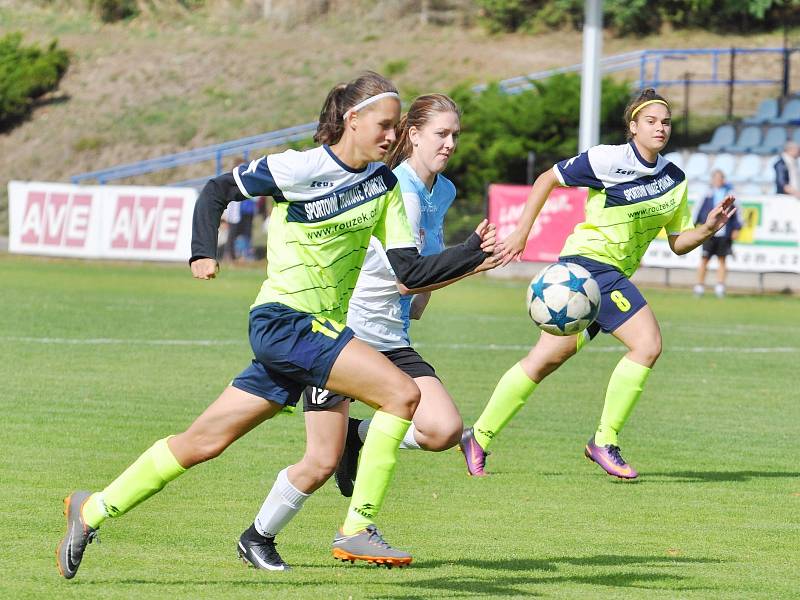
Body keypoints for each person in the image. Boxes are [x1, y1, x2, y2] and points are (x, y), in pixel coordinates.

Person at [56, 72, 498, 580]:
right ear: (352, 120)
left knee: (208, 443)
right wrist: (203, 250)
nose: (392, 136)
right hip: (284, 322)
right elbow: (218, 189)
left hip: (319, 338)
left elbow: (410, 273)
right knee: (401, 395)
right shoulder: (297, 168)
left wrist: (470, 253)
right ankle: (359, 526)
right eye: (384, 125)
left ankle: (91, 510)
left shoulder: (385, 188)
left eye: (397, 127)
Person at [459, 88, 737, 480]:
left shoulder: (674, 178)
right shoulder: (606, 160)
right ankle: (604, 441)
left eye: (666, 122)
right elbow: (546, 179)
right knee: (648, 344)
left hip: (608, 276)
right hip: (589, 266)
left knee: (543, 360)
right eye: (651, 121)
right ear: (633, 126)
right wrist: (522, 232)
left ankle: (479, 436)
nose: (660, 128)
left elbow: (678, 244)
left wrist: (707, 229)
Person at [239, 95, 467, 565]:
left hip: (393, 334)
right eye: (441, 133)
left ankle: (358, 439)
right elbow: (407, 272)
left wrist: (438, 278)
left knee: (443, 429)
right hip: (344, 333)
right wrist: (473, 259)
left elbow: (420, 273)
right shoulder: (388, 183)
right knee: (321, 459)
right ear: (414, 133)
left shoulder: (441, 192)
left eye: (455, 135)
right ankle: (298, 532)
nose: (450, 144)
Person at [693, 169, 742, 298]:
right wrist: (693, 224)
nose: (718, 181)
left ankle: (720, 286)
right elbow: (698, 210)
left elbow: (738, 212)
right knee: (704, 259)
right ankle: (699, 286)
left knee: (722, 259)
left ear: (723, 180)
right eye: (715, 178)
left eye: (720, 178)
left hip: (724, 232)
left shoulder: (730, 194)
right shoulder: (707, 193)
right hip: (708, 232)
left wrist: (737, 228)